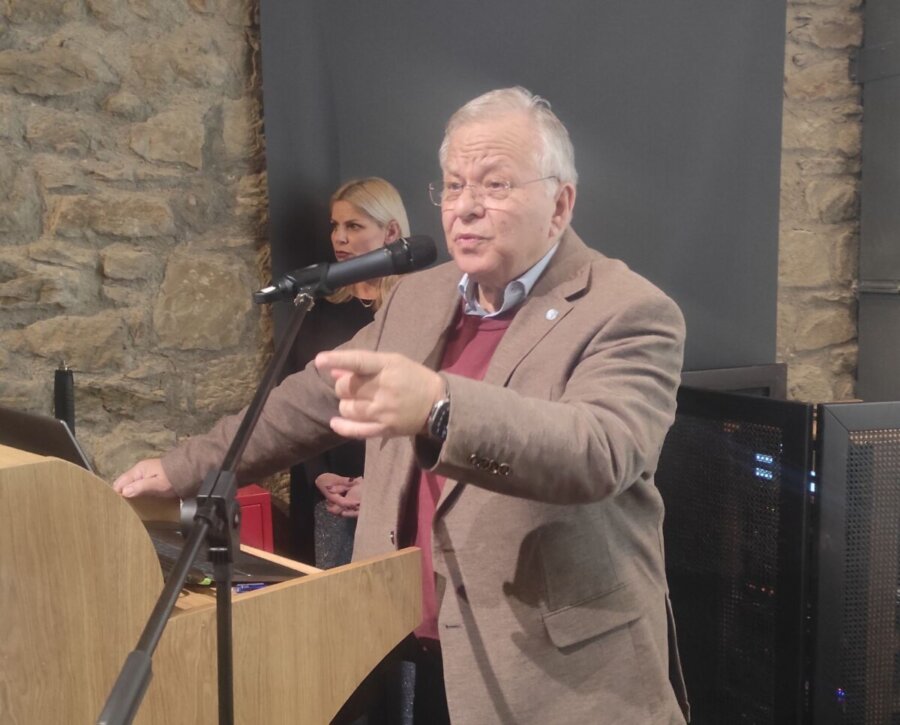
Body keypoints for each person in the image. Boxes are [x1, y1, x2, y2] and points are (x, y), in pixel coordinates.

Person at [114, 86, 690, 724]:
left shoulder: (629, 310)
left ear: (560, 204)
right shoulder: (419, 297)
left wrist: (439, 408)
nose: (465, 207)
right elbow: (311, 399)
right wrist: (183, 468)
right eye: (454, 185)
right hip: (404, 646)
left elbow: (598, 451)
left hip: (549, 675)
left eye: (495, 184)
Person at [288, 177, 410, 569]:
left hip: (398, 494)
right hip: (328, 494)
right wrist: (319, 477)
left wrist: (377, 484)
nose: (339, 238)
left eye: (353, 226)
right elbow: (297, 402)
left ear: (390, 231)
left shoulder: (415, 309)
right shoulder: (317, 310)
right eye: (335, 226)